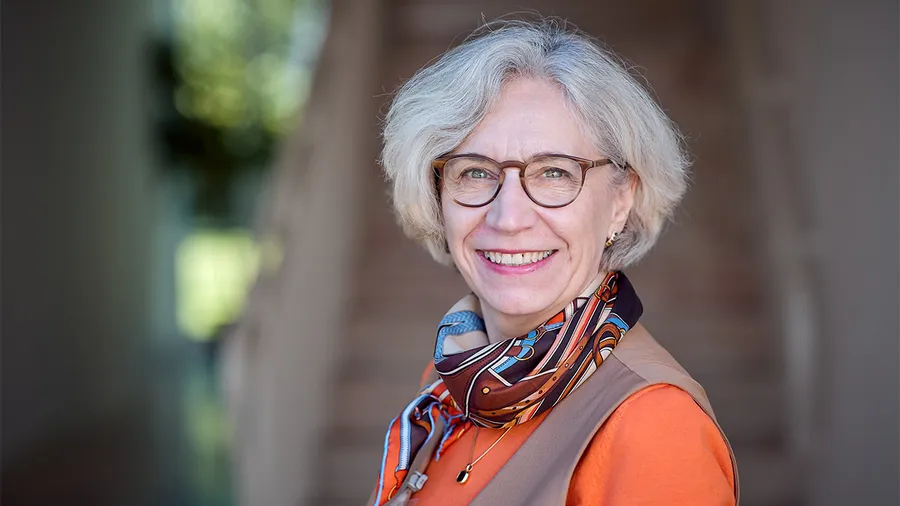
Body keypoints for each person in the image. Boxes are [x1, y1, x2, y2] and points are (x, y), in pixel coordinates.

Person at [370, 18, 739, 506]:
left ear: (620, 200)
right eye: (475, 172)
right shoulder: (451, 385)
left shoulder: (653, 426)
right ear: (438, 194)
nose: (508, 217)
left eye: (553, 173)